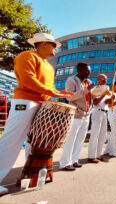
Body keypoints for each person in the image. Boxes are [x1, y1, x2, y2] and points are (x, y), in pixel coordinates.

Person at [0, 33, 73, 195]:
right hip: (25, 102)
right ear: (43, 44)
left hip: (42, 106)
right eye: (53, 45)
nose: (55, 49)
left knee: (34, 143)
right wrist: (54, 93)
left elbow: (47, 87)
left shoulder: (48, 66)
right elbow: (28, 80)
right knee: (12, 140)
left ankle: (29, 175)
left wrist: (56, 93)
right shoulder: (27, 56)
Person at [59, 63, 93, 171]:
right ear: (79, 70)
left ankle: (74, 160)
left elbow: (89, 97)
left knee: (80, 140)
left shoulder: (89, 82)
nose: (89, 72)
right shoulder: (71, 80)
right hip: (76, 114)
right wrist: (86, 90)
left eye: (89, 71)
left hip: (86, 114)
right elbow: (70, 97)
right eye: (87, 70)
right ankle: (65, 163)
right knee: (71, 139)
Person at [88, 74, 111, 163]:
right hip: (97, 112)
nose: (105, 79)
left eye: (106, 78)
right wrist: (104, 94)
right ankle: (91, 156)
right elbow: (96, 102)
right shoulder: (95, 89)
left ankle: (98, 155)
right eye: (103, 78)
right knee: (95, 134)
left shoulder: (107, 89)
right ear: (98, 79)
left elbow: (106, 102)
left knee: (102, 136)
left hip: (105, 113)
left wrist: (110, 99)